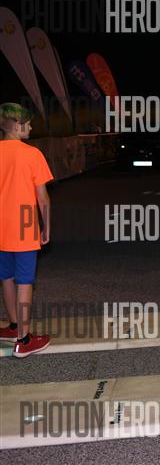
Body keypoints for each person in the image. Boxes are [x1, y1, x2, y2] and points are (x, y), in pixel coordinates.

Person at [0, 103, 53, 358]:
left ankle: (13, 326)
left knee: (6, 277)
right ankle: (23, 340)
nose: (31, 127)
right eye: (28, 123)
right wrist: (46, 226)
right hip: (24, 224)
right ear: (16, 125)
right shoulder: (32, 154)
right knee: (24, 281)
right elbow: (42, 198)